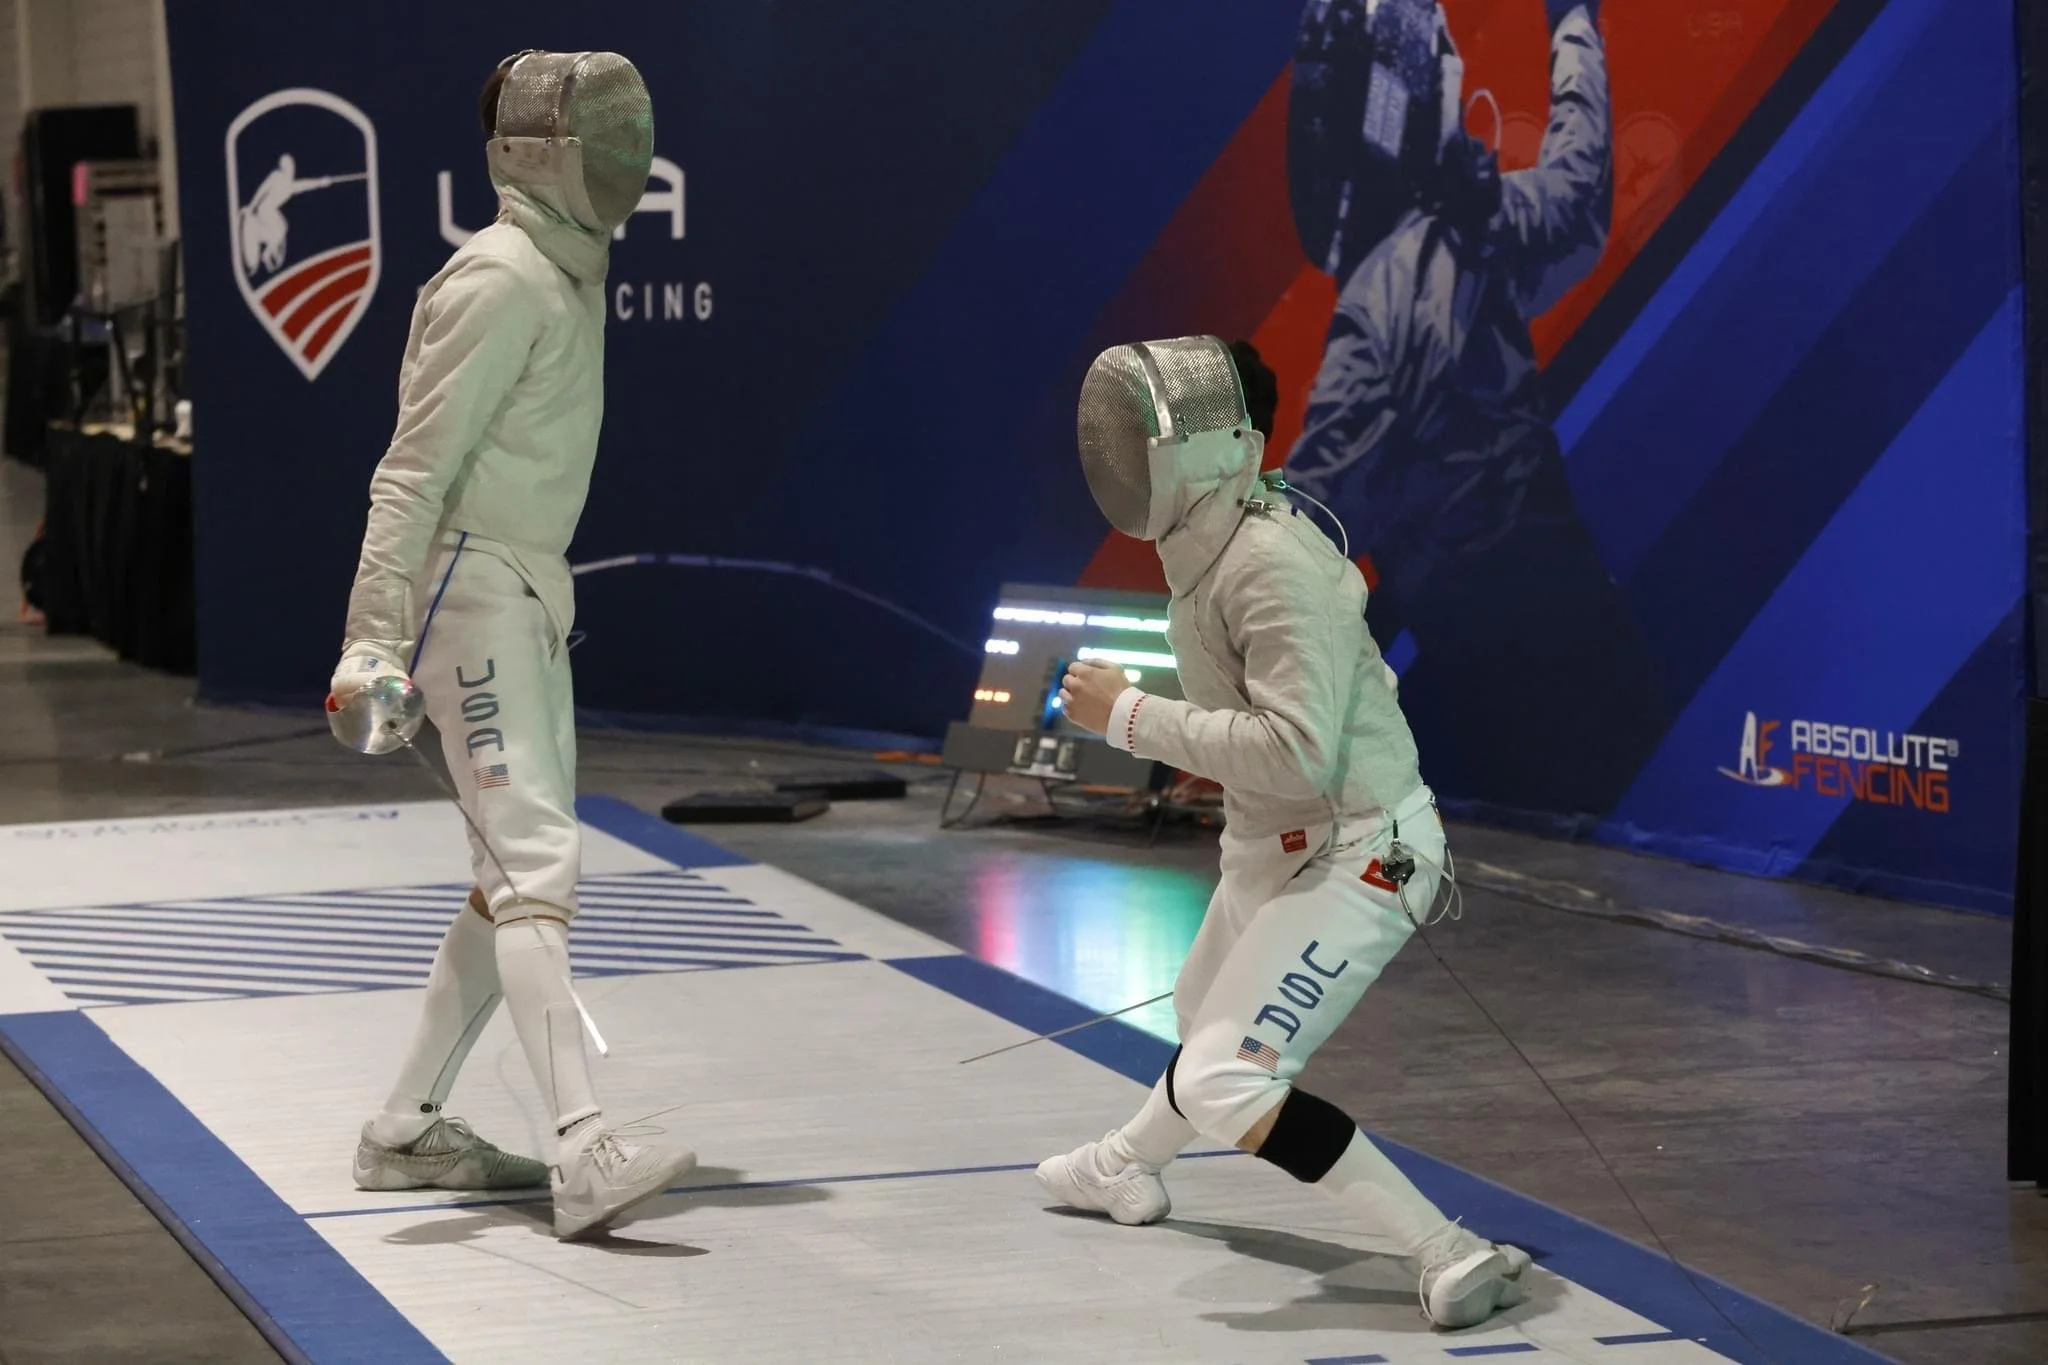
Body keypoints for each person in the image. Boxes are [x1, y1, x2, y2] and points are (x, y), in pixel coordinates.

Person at [1040, 335, 1529, 1329]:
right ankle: (1122, 1165)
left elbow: (1298, 752)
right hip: (1276, 844)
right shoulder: (1208, 540)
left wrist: (1128, 717)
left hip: (1364, 848)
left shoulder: (1266, 564)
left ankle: (1446, 1251)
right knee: (1198, 1012)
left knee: (1226, 1075)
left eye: (1151, 432)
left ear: (1219, 446)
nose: (1128, 449)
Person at [326, 50, 693, 1240]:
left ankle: (405, 1128)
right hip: (467, 591)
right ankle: (584, 1145)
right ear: (543, 153)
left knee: (507, 881)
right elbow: (410, 474)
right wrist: (369, 639)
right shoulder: (498, 280)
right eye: (604, 131)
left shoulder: (563, 272)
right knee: (538, 867)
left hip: (526, 587)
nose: (629, 156)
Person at [1280, 0, 1668, 821]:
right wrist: (1571, 27)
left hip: (1508, 723)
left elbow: (1295, 540)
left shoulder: (1378, 314)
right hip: (1608, 670)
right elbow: (1580, 175)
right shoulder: (1480, 230)